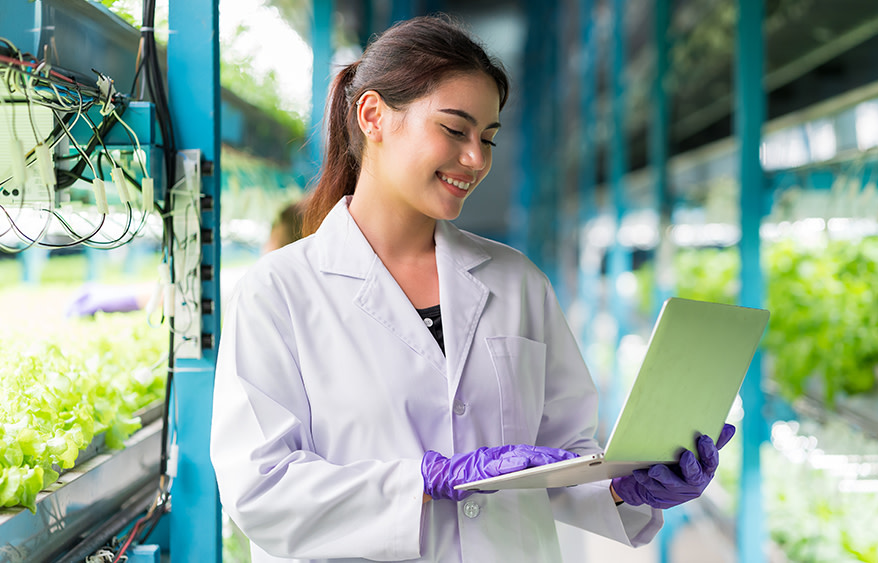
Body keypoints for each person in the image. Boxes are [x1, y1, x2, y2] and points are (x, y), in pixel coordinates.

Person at [209, 14, 735, 563]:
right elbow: (261, 489)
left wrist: (626, 488)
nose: (476, 159)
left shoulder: (517, 283)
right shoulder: (280, 291)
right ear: (373, 116)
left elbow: (563, 460)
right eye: (454, 130)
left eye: (487, 138)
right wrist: (427, 480)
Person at [65, 199, 305, 317]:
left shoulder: (262, 285)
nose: (265, 245)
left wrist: (107, 301)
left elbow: (184, 293)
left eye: (272, 236)